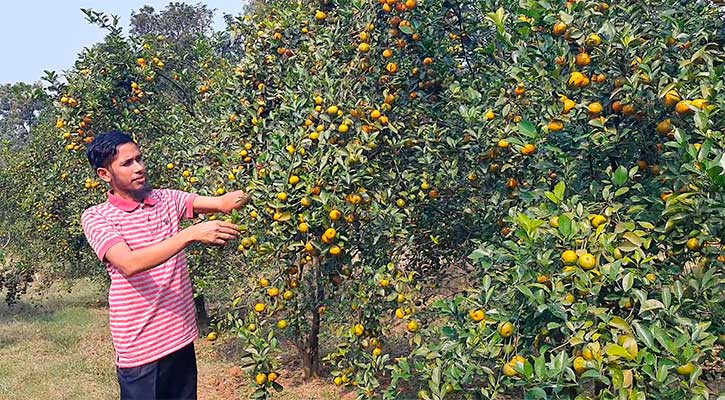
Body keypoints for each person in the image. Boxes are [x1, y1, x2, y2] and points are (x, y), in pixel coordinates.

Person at [80, 130, 249, 399]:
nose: (139, 168)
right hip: (141, 347)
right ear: (104, 174)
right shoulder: (97, 217)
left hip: (180, 337)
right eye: (127, 163)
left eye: (139, 159)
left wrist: (259, 182)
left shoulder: (167, 199)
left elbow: (223, 203)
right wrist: (189, 234)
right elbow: (129, 263)